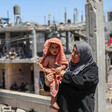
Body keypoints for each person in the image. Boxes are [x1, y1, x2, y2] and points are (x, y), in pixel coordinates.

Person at [46, 41, 99, 112]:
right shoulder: (67, 67)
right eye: (73, 51)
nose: (72, 54)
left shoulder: (92, 69)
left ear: (84, 54)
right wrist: (47, 83)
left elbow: (82, 82)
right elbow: (54, 86)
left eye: (76, 53)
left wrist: (65, 75)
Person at [39, 38, 68, 111]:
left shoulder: (61, 57)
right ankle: (53, 102)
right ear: (49, 48)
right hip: (52, 76)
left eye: (56, 47)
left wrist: (60, 68)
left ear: (60, 48)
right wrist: (49, 71)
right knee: (53, 86)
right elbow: (44, 67)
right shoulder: (48, 58)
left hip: (59, 76)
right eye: (52, 47)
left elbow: (65, 65)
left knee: (59, 85)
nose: (54, 49)